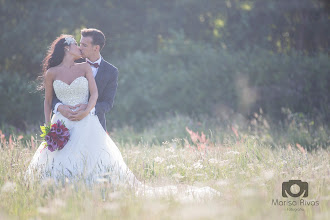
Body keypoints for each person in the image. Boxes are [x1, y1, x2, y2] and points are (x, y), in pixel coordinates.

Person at [26, 33, 219, 200]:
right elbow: (49, 100)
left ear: (96, 47)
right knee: (59, 159)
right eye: (78, 44)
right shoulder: (52, 72)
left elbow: (103, 100)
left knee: (94, 160)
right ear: (67, 48)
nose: (80, 47)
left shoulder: (95, 69)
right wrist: (56, 112)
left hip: (89, 123)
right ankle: (57, 192)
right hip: (62, 123)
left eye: (83, 44)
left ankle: (97, 192)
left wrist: (86, 111)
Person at [53, 28, 118, 131]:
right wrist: (59, 107)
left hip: (95, 126)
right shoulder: (71, 61)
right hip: (66, 124)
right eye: (80, 43)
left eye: (85, 45)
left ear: (96, 48)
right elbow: (54, 94)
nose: (80, 48)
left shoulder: (111, 71)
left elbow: (107, 103)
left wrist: (88, 109)